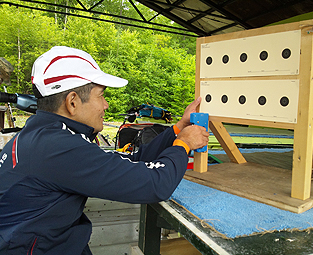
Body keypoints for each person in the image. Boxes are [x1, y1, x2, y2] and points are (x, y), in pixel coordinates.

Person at [0, 46, 209, 254]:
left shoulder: (46, 135)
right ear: (72, 102)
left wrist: (178, 129)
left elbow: (131, 160)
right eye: (100, 96)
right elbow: (155, 184)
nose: (106, 105)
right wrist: (183, 144)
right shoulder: (57, 148)